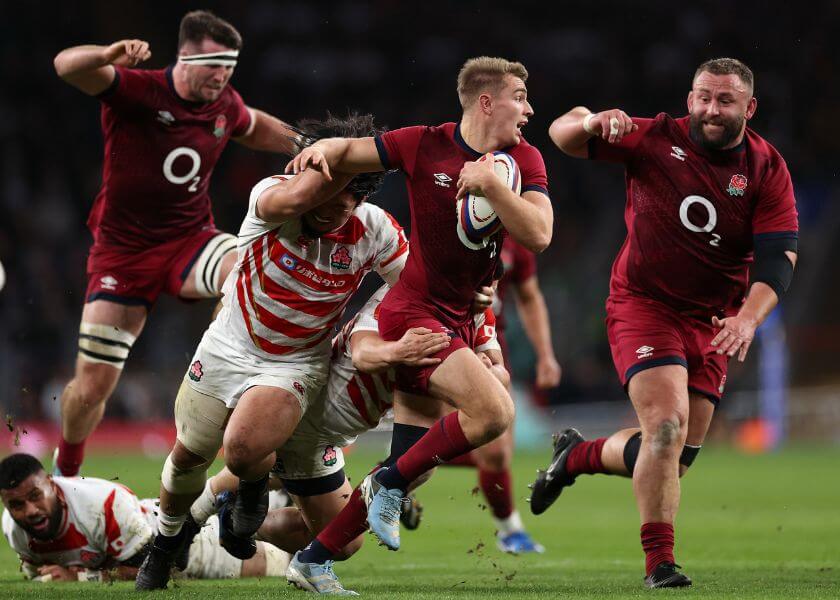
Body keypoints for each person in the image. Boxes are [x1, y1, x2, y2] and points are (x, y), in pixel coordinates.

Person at [284, 55, 552, 594]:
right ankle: (383, 483)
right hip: (412, 314)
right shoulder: (422, 143)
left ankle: (313, 558)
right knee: (495, 411)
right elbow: (353, 153)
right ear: (485, 101)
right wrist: (321, 150)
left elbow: (540, 233)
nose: (528, 109)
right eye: (519, 97)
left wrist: (493, 188)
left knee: (416, 465)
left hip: (459, 317)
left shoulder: (523, 160)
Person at [530, 58, 798, 588]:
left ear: (750, 107)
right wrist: (589, 122)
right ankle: (660, 564)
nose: (710, 109)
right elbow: (560, 133)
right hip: (644, 306)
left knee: (674, 459)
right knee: (666, 429)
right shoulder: (652, 137)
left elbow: (778, 258)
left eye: (724, 101)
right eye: (702, 96)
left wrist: (748, 319)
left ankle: (575, 456)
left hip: (715, 320)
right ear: (690, 96)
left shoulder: (767, 168)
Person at [135, 113, 410, 590]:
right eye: (328, 195)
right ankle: (165, 542)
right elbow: (302, 195)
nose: (334, 209)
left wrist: (471, 320)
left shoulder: (374, 229)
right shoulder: (272, 195)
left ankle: (251, 490)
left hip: (296, 363)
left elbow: (415, 287)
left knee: (242, 450)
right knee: (188, 457)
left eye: (349, 200)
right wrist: (327, 159)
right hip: (229, 344)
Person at [51, 10, 305, 478]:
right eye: (213, 66)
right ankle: (66, 471)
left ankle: (223, 374)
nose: (222, 78)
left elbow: (253, 124)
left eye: (229, 68)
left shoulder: (223, 103)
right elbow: (66, 66)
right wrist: (107, 56)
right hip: (123, 255)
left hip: (190, 240)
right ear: (185, 57)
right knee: (91, 387)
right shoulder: (139, 90)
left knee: (248, 267)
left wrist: (304, 144)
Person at [188, 285, 503, 593]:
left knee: (330, 512)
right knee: (344, 531)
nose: (487, 287)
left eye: (490, 278)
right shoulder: (406, 295)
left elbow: (499, 378)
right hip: (311, 425)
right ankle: (188, 521)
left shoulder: (478, 315)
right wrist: (399, 351)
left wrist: (486, 370)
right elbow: (364, 352)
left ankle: (230, 516)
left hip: (333, 435)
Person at [434, 236, 560, 553]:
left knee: (496, 450)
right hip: (445, 338)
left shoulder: (516, 238)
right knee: (477, 445)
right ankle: (511, 530)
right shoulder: (444, 222)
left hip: (491, 346)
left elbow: (529, 296)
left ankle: (397, 469)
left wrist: (545, 354)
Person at [0, 454, 288, 584]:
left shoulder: (102, 504)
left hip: (182, 542)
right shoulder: (15, 529)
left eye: (35, 496)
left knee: (282, 559)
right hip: (143, 530)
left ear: (51, 484)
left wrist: (79, 577)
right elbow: (38, 570)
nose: (30, 511)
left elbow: (157, 568)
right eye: (16, 504)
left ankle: (298, 474)